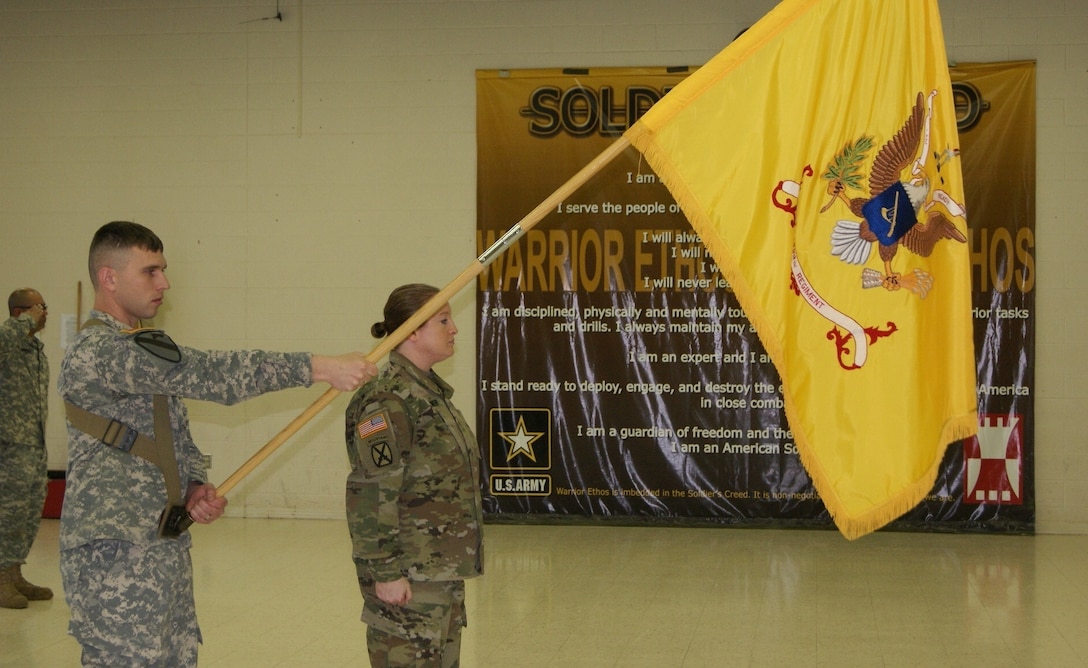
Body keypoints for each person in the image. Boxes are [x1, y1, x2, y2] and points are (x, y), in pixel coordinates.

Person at [57, 221, 377, 666]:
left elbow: (164, 434)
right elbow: (211, 375)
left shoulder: (140, 346)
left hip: (157, 541)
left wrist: (191, 487)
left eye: (163, 270)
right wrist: (318, 367)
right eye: (150, 271)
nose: (165, 282)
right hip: (114, 552)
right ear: (109, 278)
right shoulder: (100, 349)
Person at [345, 283, 484, 667]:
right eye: (443, 320)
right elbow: (371, 492)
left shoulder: (429, 395)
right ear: (412, 331)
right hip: (407, 582)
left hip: (437, 578)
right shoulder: (388, 401)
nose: (454, 328)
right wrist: (386, 572)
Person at [0, 288, 52, 610]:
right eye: (39, 307)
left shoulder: (34, 349)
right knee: (8, 514)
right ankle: (1, 580)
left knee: (29, 513)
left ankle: (14, 573)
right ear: (20, 312)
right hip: (9, 445)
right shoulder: (8, 342)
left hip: (34, 444)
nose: (45, 312)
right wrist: (21, 324)